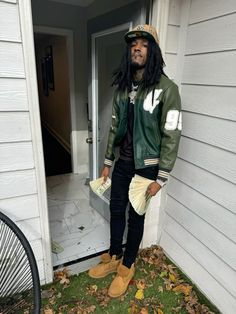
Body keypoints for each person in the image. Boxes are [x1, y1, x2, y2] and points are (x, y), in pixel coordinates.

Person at [88, 24, 182, 298]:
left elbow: (172, 133)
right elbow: (115, 126)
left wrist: (161, 176)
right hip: (123, 162)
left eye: (143, 43)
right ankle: (115, 256)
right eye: (133, 44)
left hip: (147, 166)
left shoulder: (167, 89)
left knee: (136, 216)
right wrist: (107, 161)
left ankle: (127, 266)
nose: (137, 47)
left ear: (153, 50)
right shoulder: (124, 87)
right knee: (116, 210)